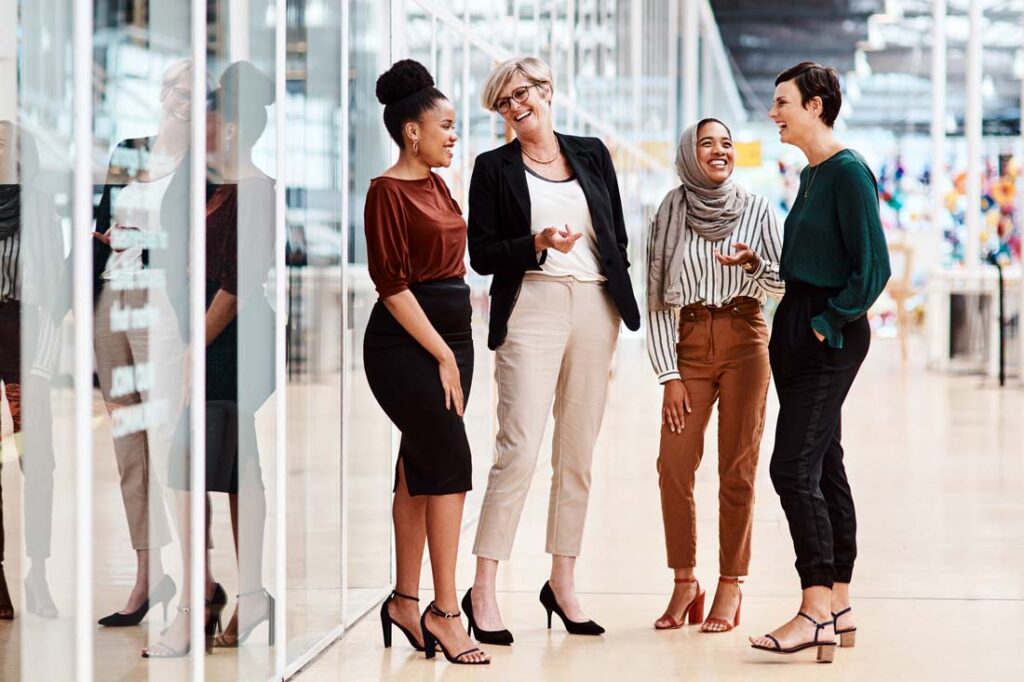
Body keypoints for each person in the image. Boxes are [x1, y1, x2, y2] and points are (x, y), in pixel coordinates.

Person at [465, 56, 641, 643]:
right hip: (532, 304)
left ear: (547, 91)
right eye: (504, 102)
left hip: (595, 305)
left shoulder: (590, 152)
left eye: (523, 94)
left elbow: (613, 230)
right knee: (517, 449)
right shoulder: (493, 167)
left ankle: (562, 581)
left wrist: (615, 283)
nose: (516, 108)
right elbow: (483, 254)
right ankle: (483, 588)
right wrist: (536, 242)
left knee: (578, 456)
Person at [749, 62, 890, 662]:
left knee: (791, 466)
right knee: (824, 462)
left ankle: (812, 611)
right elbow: (805, 261)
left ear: (815, 105)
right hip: (799, 325)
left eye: (782, 102)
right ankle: (838, 601)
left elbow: (873, 267)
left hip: (826, 335)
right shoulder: (810, 175)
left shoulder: (848, 172)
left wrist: (828, 322)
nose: (774, 112)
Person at [143, 60, 277, 658]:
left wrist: (197, 347)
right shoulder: (192, 182)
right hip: (197, 334)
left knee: (186, 469)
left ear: (236, 125)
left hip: (232, 343)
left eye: (215, 114)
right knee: (237, 467)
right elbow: (168, 254)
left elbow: (237, 284)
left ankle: (195, 607)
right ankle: (247, 596)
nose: (207, 123)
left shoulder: (259, 191)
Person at [365, 59, 489, 666]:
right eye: (445, 125)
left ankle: (404, 600)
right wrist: (441, 354)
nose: (452, 135)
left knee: (418, 463)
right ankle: (446, 612)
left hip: (451, 335)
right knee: (450, 461)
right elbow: (391, 283)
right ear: (412, 130)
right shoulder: (385, 191)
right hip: (404, 343)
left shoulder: (440, 184)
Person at [646, 118, 783, 633]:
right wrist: (668, 374)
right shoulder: (669, 212)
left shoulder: (757, 208)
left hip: (746, 337)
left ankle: (731, 583)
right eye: (707, 143)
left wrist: (752, 265)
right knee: (674, 465)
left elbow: (785, 285)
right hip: (687, 341)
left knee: (738, 467)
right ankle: (686, 582)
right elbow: (657, 296)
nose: (719, 150)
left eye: (726, 143)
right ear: (689, 153)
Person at [92, 59, 197, 627]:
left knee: (166, 439)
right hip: (112, 295)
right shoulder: (128, 149)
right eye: (181, 89)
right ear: (164, 91)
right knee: (128, 446)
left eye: (198, 94)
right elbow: (104, 218)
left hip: (160, 304)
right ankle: (145, 576)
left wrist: (148, 238)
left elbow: (196, 245)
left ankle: (194, 583)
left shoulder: (202, 164)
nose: (186, 100)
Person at [0, 121, 64, 620]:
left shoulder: (40, 205)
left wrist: (41, 370)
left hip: (28, 338)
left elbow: (53, 292)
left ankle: (38, 571)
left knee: (35, 461)